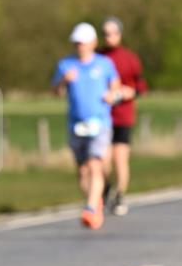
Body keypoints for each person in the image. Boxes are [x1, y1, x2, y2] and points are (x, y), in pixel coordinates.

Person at [52, 23, 121, 229]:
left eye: (82, 42)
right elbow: (56, 92)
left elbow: (115, 88)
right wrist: (64, 81)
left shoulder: (104, 64)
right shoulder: (66, 65)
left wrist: (112, 96)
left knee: (95, 164)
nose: (79, 46)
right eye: (76, 43)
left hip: (100, 122)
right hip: (76, 124)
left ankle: (90, 208)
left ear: (93, 43)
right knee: (82, 171)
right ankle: (95, 202)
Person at [98, 16, 147, 216]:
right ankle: (105, 188)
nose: (108, 37)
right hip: (102, 115)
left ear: (119, 34)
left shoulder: (129, 58)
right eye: (105, 34)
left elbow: (141, 86)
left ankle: (119, 195)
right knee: (102, 160)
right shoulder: (98, 57)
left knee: (120, 159)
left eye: (111, 33)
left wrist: (130, 92)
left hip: (123, 115)